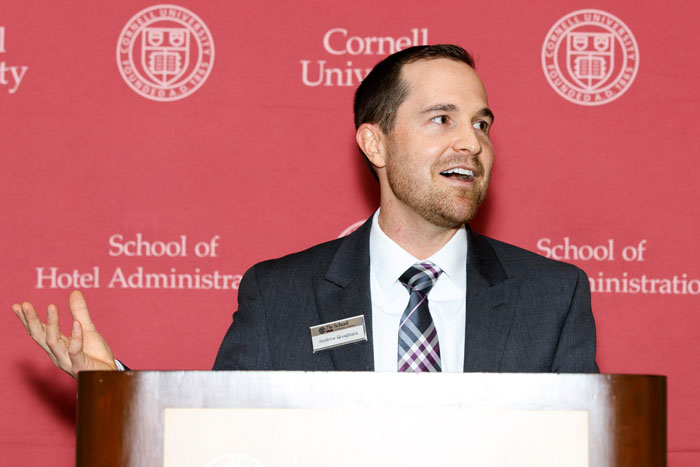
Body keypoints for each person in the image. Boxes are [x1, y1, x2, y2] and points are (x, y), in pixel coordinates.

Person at [12, 45, 598, 376]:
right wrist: (110, 387)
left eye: (481, 124)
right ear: (375, 144)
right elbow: (219, 441)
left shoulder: (552, 296)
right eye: (442, 119)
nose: (470, 142)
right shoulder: (279, 295)